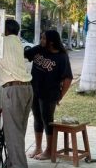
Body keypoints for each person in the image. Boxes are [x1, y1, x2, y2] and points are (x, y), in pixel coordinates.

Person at [0, 20, 33, 168]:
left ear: (5, 29)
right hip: (27, 88)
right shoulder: (18, 42)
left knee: (13, 131)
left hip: (13, 89)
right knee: (19, 130)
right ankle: (13, 163)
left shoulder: (1, 40)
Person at [25, 30, 73, 160]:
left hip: (50, 93)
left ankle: (49, 150)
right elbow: (23, 55)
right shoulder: (38, 49)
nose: (41, 40)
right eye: (41, 38)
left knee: (48, 121)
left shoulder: (62, 57)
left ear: (51, 42)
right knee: (37, 119)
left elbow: (68, 79)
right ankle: (38, 147)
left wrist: (60, 95)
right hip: (35, 90)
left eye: (44, 38)